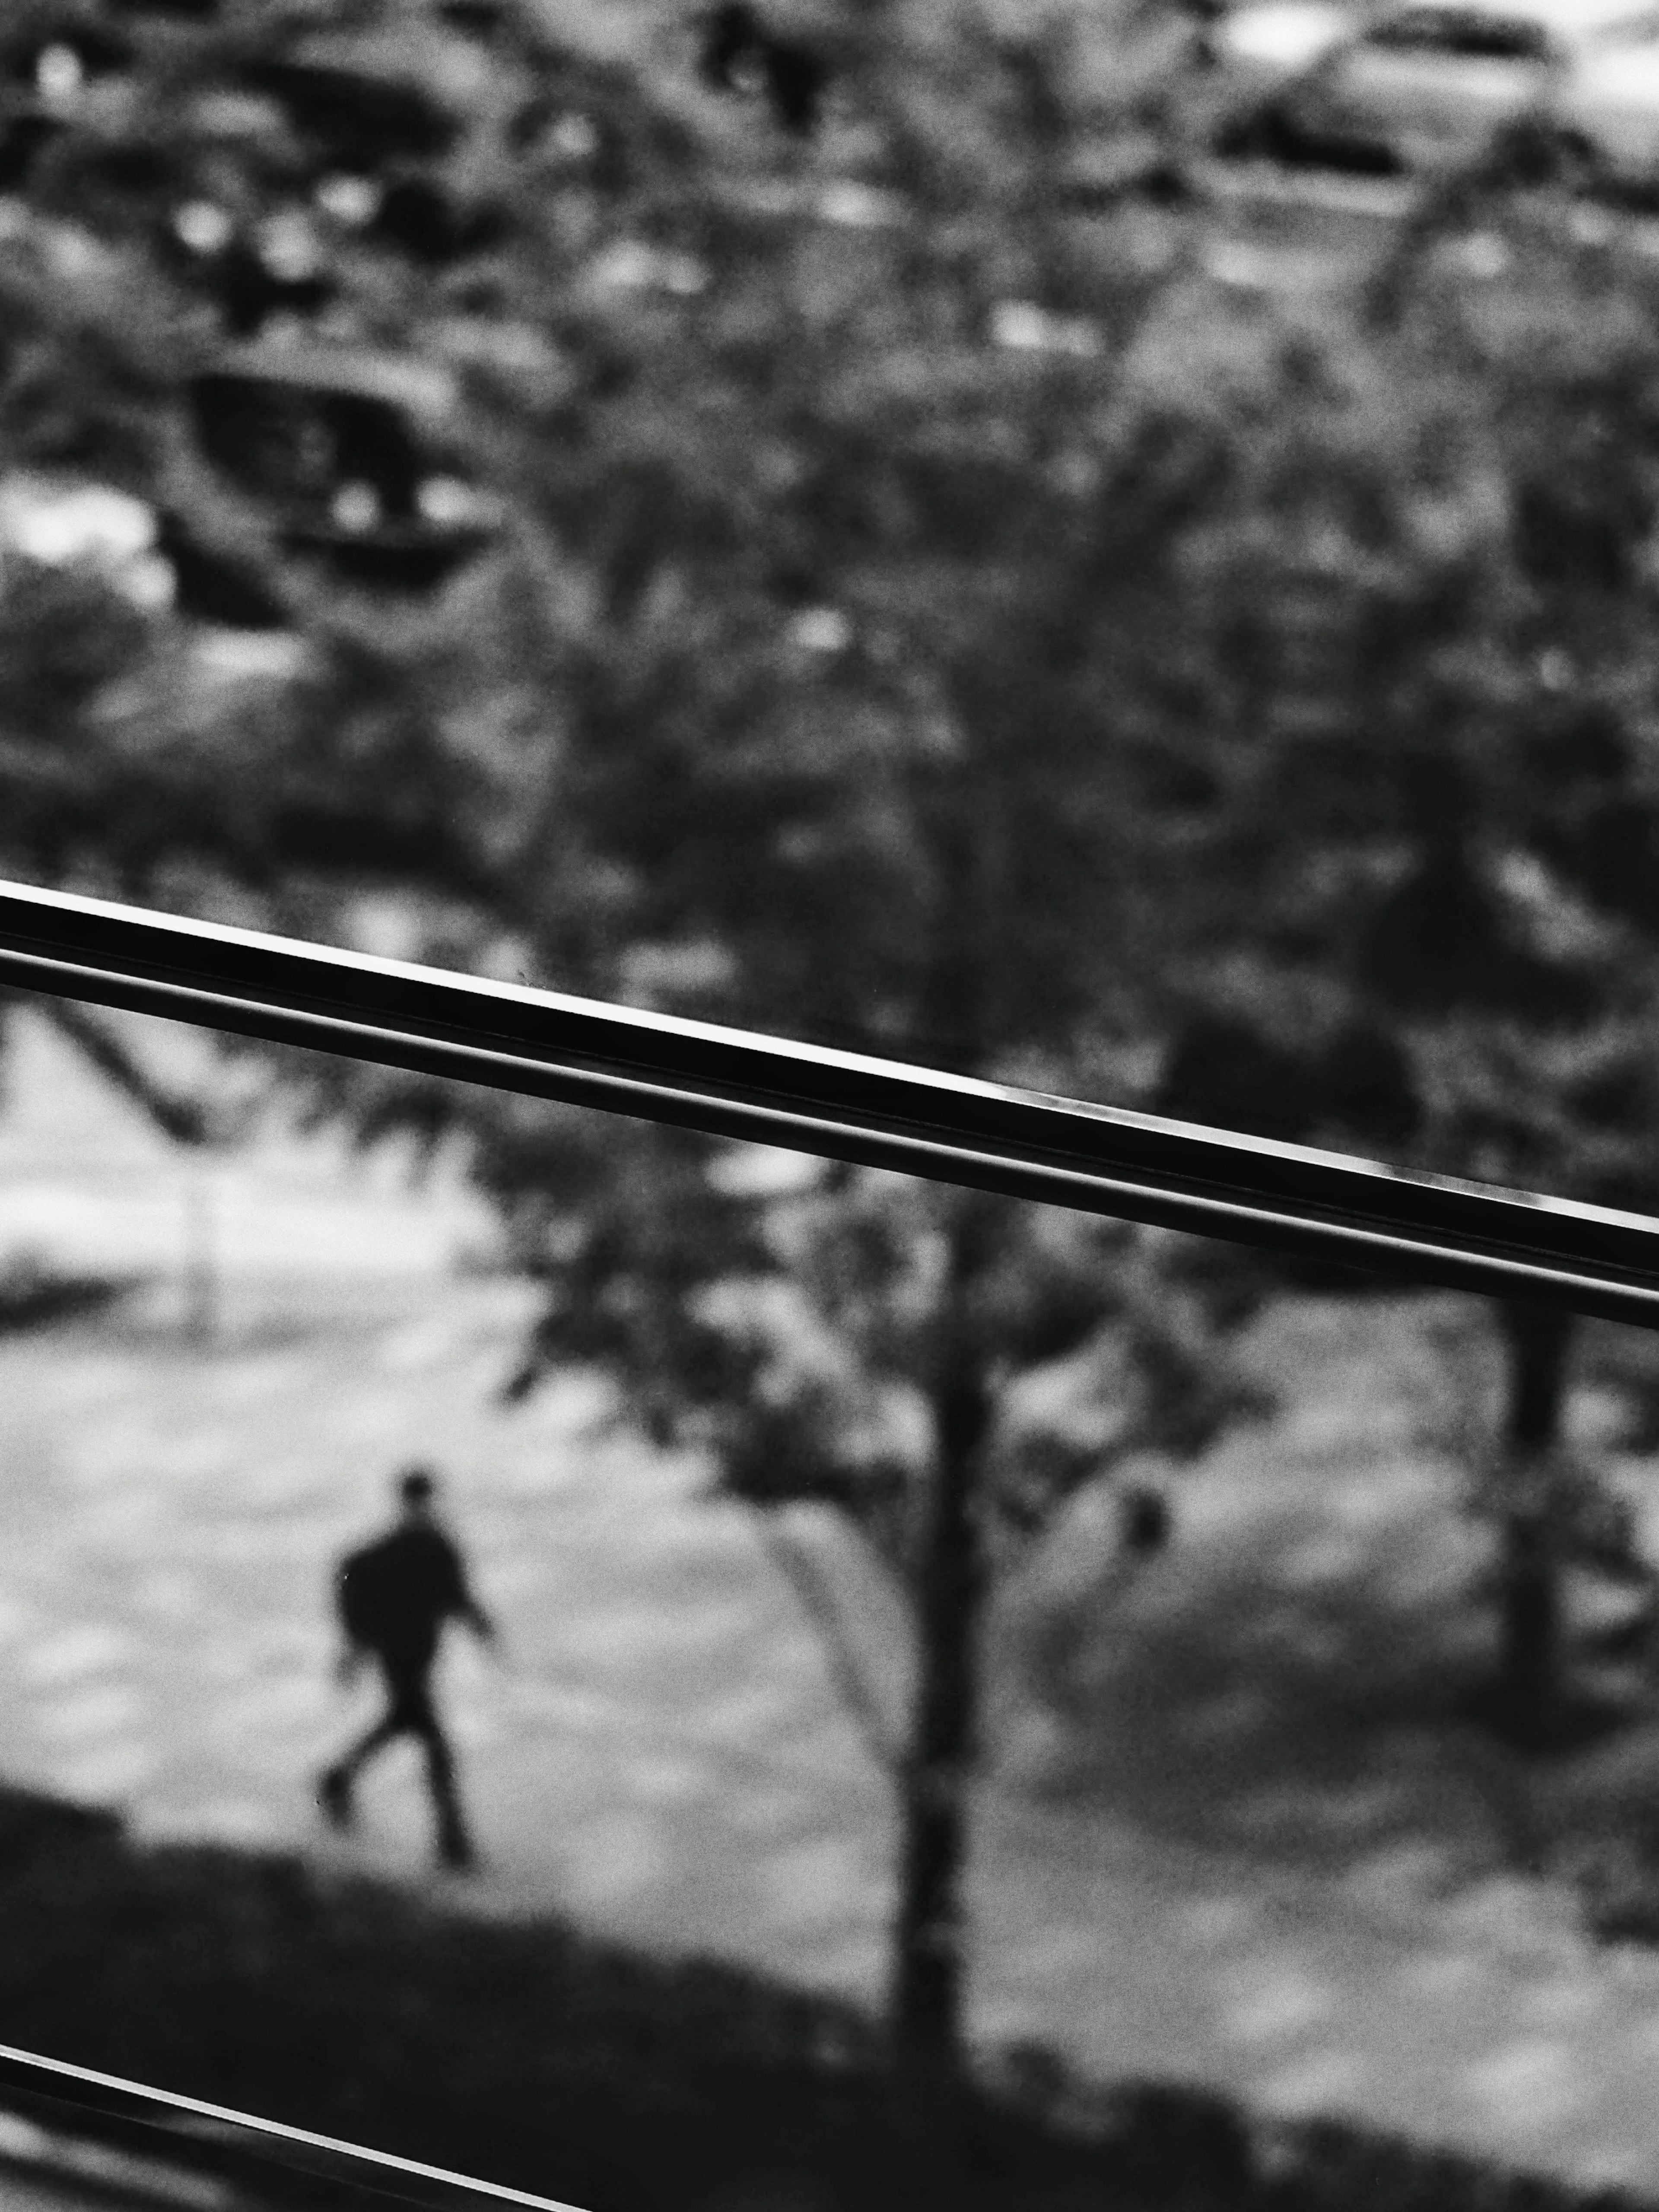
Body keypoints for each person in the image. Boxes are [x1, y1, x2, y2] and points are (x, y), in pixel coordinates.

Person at [318, 1467, 499, 1872]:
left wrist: (481, 1626)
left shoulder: (433, 1546)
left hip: (417, 1652)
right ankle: (451, 1840)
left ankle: (337, 1779)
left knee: (402, 1722)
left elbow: (454, 1594)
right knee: (435, 1743)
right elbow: (361, 1588)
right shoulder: (402, 1548)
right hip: (399, 1655)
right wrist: (354, 1648)